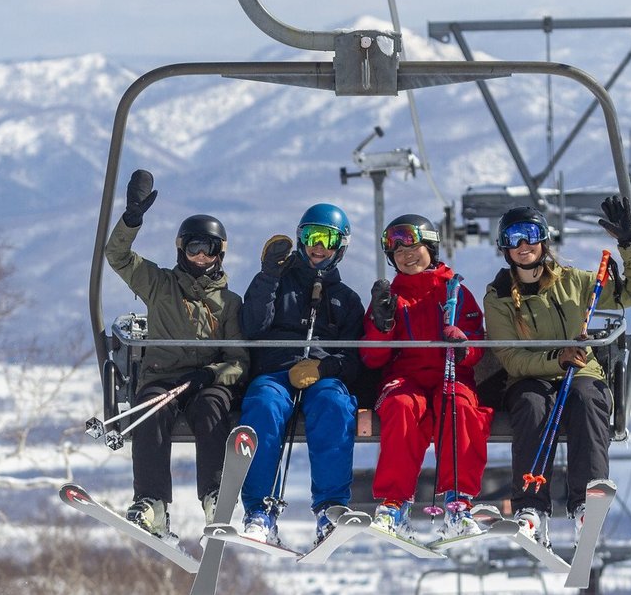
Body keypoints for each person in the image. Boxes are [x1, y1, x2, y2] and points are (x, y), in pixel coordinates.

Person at [483, 195, 631, 548]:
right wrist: (556, 360)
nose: (523, 245)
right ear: (504, 248)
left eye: (530, 235)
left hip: (580, 372)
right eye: (514, 238)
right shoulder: (498, 298)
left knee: (587, 399)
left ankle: (585, 503)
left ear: (544, 240)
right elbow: (512, 359)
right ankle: (531, 507)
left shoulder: (575, 282)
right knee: (530, 404)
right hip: (530, 377)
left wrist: (629, 244)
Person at [104, 169, 249, 539]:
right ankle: (152, 502)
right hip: (163, 378)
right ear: (181, 250)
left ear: (220, 253)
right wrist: (131, 219)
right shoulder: (160, 285)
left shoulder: (229, 303)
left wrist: (213, 374)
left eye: (209, 249)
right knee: (152, 409)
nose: (200, 257)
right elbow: (117, 256)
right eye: (193, 248)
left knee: (212, 409)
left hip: (206, 382)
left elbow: (239, 359)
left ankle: (215, 496)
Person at [238, 203, 366, 548]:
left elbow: (355, 359)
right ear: (300, 238)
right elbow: (252, 326)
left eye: (327, 238)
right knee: (263, 405)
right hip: (276, 372)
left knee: (334, 405)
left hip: (321, 376)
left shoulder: (346, 301)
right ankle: (260, 511)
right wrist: (268, 275)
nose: (318, 246)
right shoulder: (276, 283)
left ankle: (330, 507)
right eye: (311, 236)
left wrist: (325, 368)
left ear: (341, 246)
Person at [362, 213, 491, 539]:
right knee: (402, 406)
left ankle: (458, 503)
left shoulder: (455, 292)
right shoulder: (390, 297)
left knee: (459, 407)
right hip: (406, 376)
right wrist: (382, 325)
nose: (406, 256)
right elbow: (372, 357)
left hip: (451, 374)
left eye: (413, 247)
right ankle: (394, 504)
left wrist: (463, 346)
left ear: (430, 248)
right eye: (398, 252)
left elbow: (478, 344)